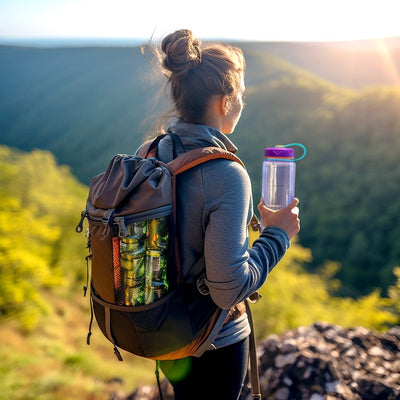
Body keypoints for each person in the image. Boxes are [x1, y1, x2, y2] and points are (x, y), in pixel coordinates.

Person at [144, 29, 300, 400]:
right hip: (215, 342)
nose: (242, 103)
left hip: (164, 330)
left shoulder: (150, 152)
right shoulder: (227, 175)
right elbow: (228, 288)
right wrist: (278, 234)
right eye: (241, 95)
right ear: (226, 101)